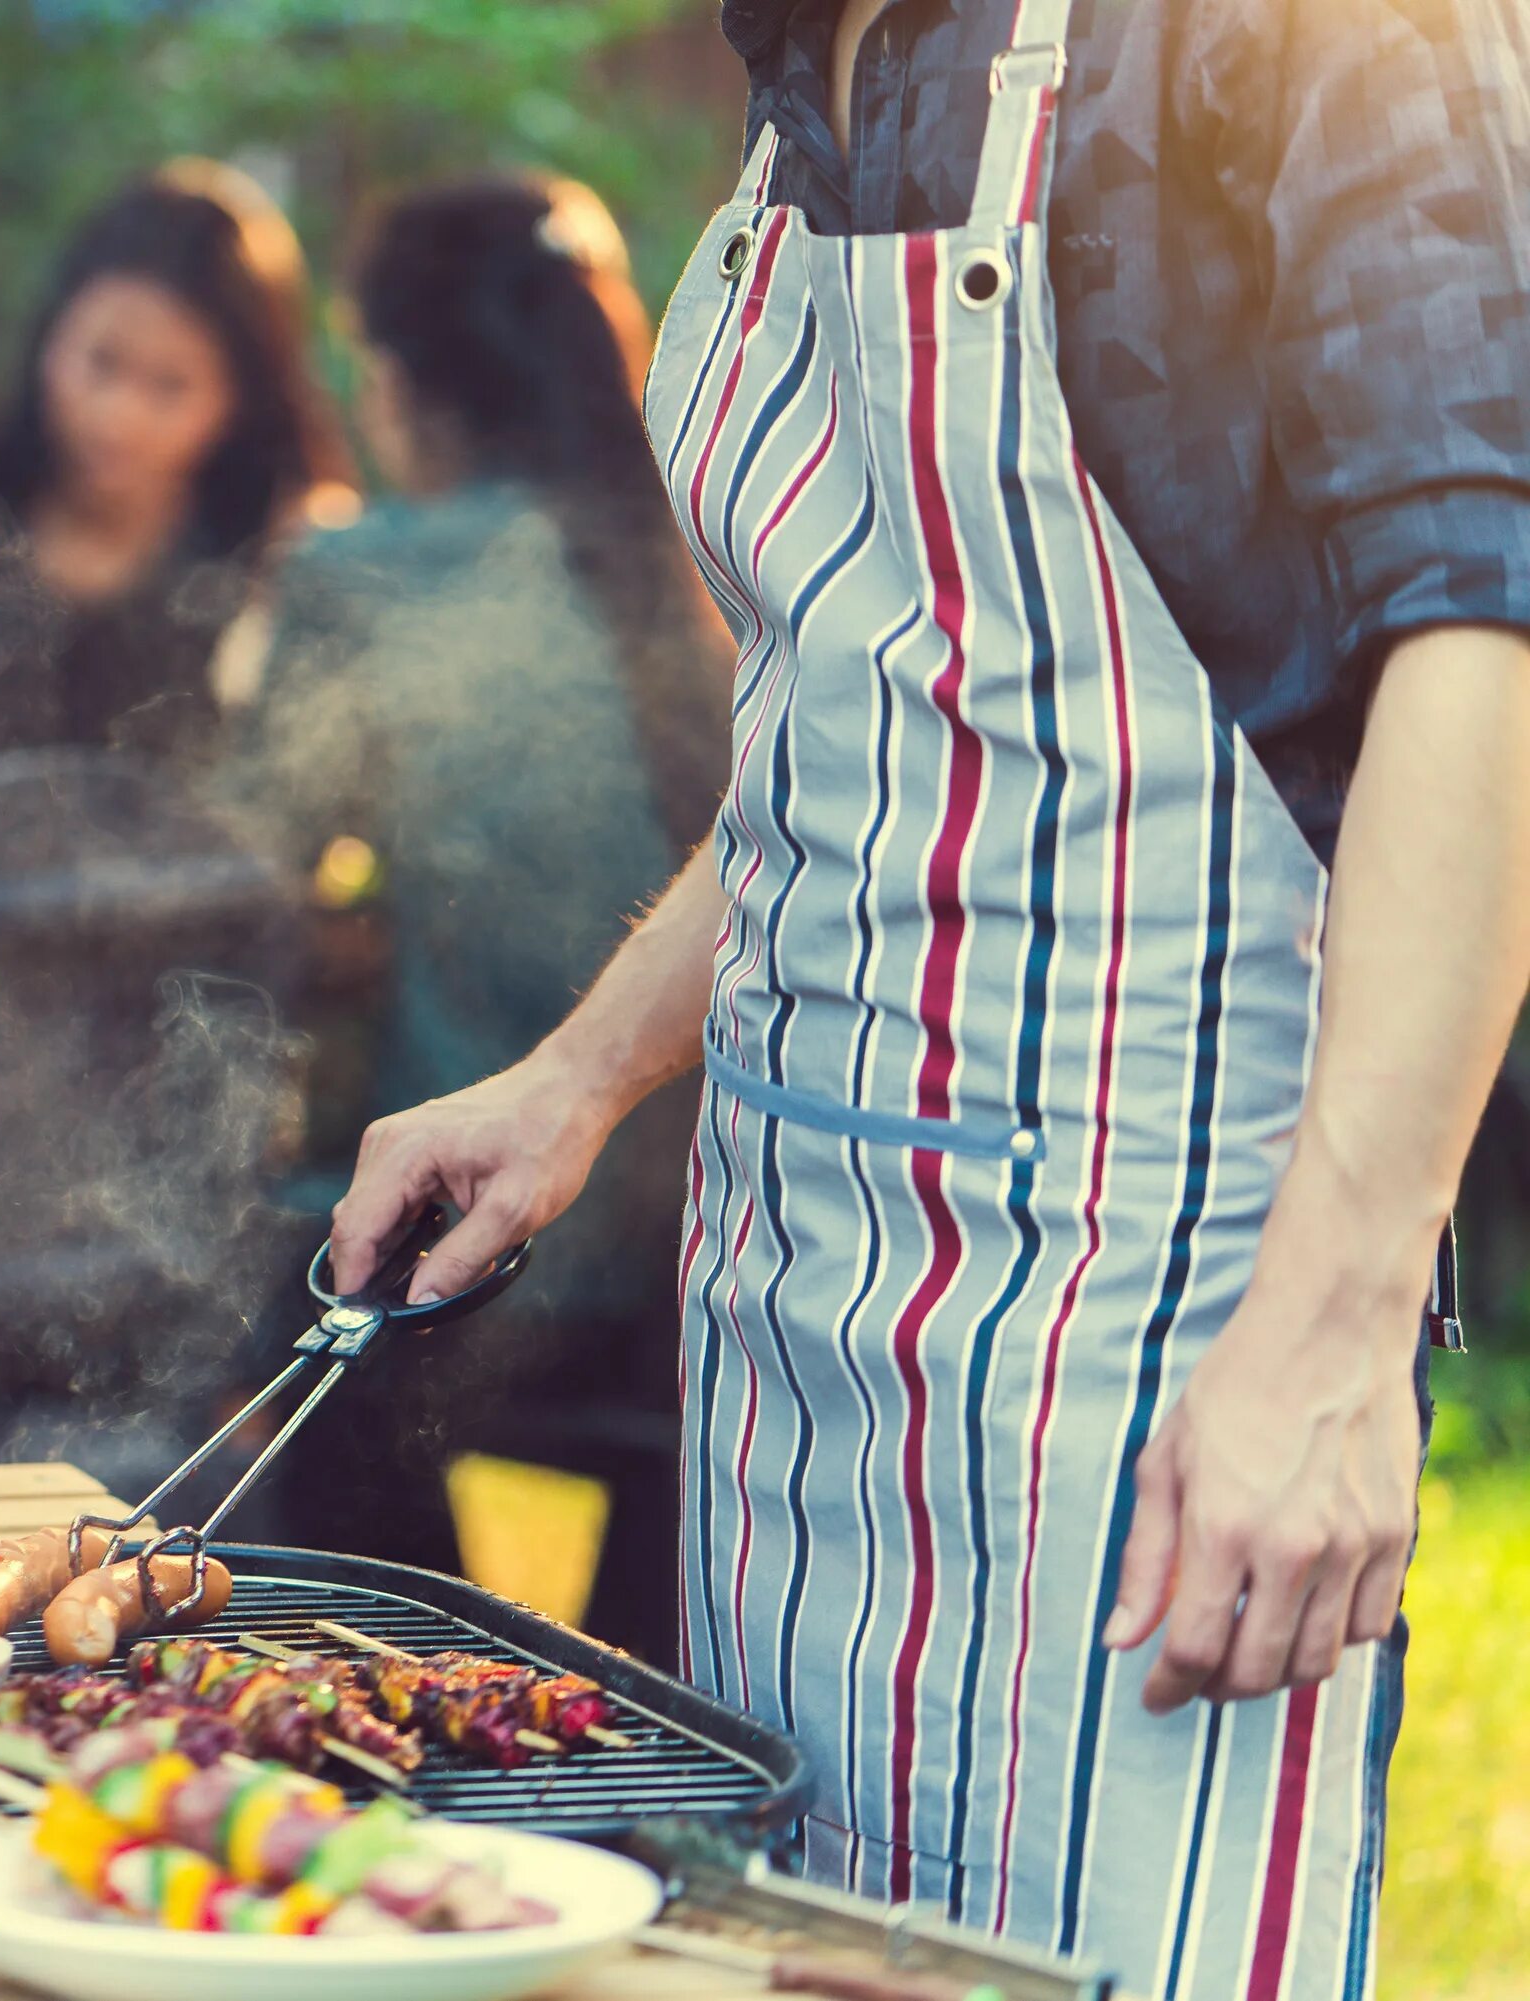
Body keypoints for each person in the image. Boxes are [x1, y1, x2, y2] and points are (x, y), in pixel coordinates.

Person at [331, 0, 1530, 1990]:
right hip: (790, 1294)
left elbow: (1487, 644)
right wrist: (577, 1076)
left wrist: (1338, 1320)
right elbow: (879, 705)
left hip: (1139, 1312)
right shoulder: (816, 54)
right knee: (780, 1951)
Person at [226, 174, 730, 1656]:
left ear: (395, 378)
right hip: (713, 1263)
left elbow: (253, 859)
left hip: (503, 1257)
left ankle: (409, 1679)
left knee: (264, 1290)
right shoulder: (708, 556)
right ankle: (626, 1696)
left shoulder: (363, 573)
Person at [0, 161, 352, 808]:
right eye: (101, 362)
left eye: (170, 386)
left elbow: (311, 820)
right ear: (50, 337)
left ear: (241, 399)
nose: (119, 416)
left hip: (193, 907)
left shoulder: (287, 546)